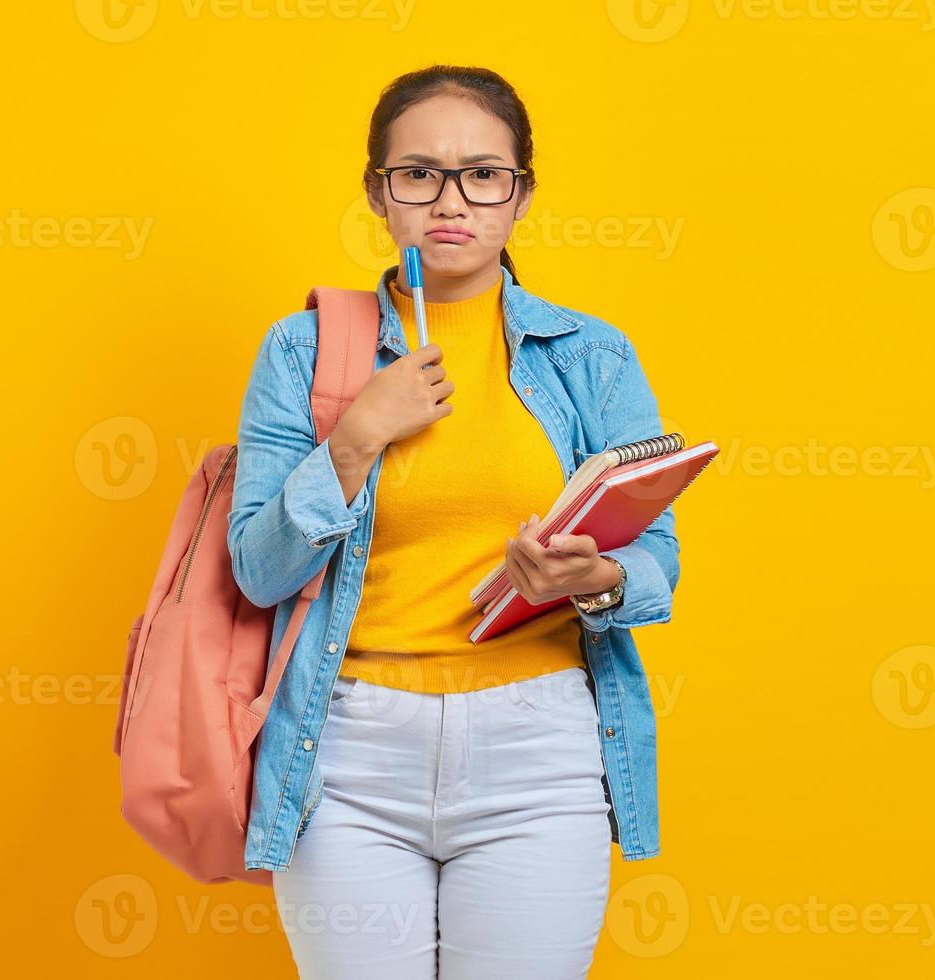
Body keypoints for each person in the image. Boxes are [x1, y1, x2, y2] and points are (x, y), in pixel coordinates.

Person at [226, 64, 681, 979]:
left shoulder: (590, 354)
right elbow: (257, 571)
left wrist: (594, 580)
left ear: (520, 196)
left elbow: (656, 556)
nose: (451, 199)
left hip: (538, 747)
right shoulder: (304, 347)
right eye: (418, 173)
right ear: (378, 193)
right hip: (347, 749)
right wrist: (354, 440)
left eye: (483, 174)